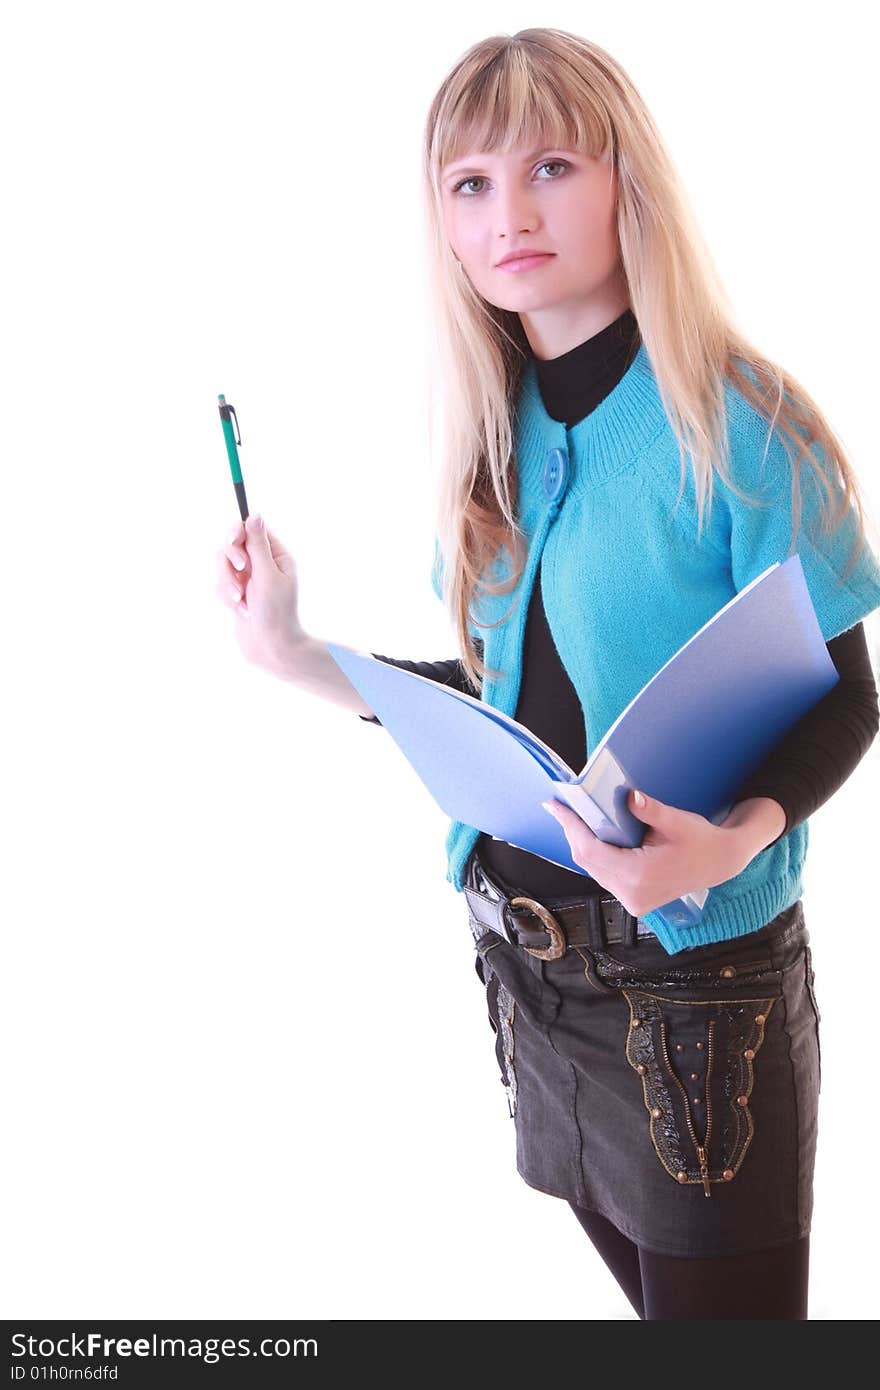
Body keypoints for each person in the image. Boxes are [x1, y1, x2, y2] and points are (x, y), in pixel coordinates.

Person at [215, 29, 880, 1319]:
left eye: (551, 166)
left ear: (628, 180)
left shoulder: (742, 419)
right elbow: (507, 715)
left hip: (700, 999)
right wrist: (296, 655)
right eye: (469, 183)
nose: (509, 213)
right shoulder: (492, 433)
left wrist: (731, 842)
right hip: (530, 978)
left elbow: (849, 690)